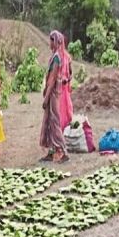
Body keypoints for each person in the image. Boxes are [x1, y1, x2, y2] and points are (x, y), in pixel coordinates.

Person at [40, 31, 70, 163]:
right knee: (49, 122)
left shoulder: (57, 57)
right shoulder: (56, 56)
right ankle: (51, 151)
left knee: (55, 122)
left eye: (51, 40)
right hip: (53, 92)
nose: (49, 43)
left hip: (54, 94)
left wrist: (46, 98)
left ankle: (63, 151)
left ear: (56, 41)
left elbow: (52, 79)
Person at [58, 35, 74, 130]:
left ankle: (66, 128)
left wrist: (67, 80)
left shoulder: (67, 57)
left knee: (67, 109)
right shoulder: (56, 57)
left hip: (65, 89)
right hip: (58, 88)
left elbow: (71, 73)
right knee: (59, 110)